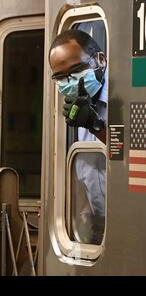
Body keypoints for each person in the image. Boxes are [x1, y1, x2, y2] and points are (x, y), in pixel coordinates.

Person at [49, 29, 107, 244]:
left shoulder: (128, 96)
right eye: (61, 77)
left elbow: (137, 159)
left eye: (77, 69)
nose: (71, 81)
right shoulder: (72, 113)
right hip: (97, 229)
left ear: (100, 60)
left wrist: (96, 125)